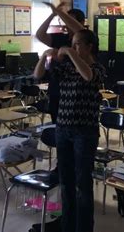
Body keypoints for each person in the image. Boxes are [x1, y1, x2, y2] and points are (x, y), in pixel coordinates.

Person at [34, 29, 105, 232]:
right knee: (66, 182)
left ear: (89, 46)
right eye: (72, 45)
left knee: (82, 183)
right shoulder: (65, 68)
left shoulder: (96, 67)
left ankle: (83, 228)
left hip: (85, 131)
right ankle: (67, 225)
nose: (72, 48)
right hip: (63, 129)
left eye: (77, 44)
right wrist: (44, 56)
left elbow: (88, 75)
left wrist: (71, 54)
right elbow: (38, 75)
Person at [35, 3, 85, 123]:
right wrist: (53, 14)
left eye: (70, 20)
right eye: (65, 20)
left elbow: (80, 31)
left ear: (82, 22)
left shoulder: (85, 40)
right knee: (56, 126)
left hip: (75, 92)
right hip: (56, 89)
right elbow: (40, 35)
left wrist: (60, 13)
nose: (67, 24)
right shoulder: (61, 38)